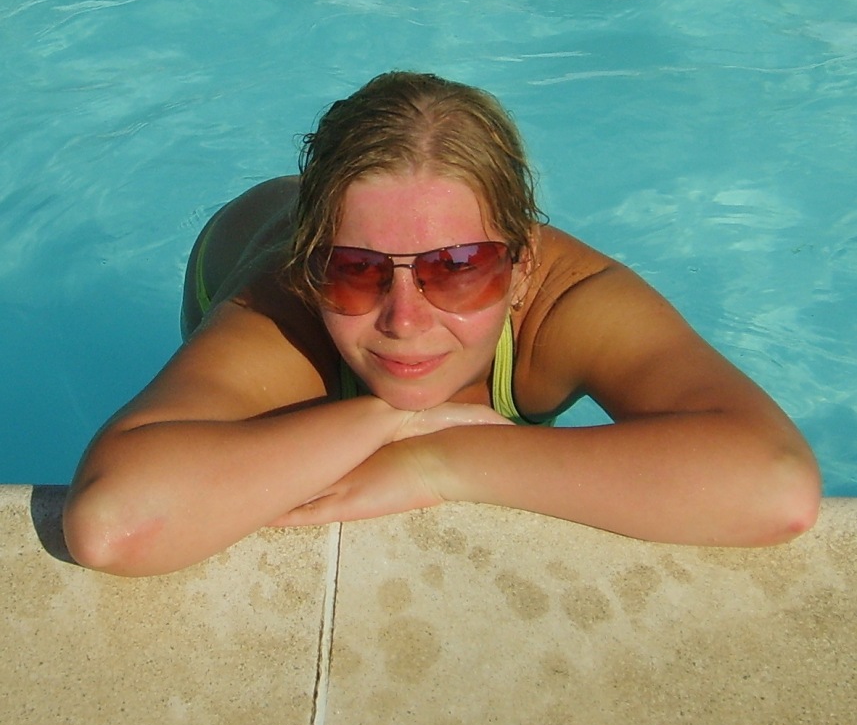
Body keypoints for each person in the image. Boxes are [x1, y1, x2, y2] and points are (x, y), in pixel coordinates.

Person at [63, 72, 821, 576]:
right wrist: (388, 417)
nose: (404, 318)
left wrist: (442, 462)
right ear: (310, 269)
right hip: (242, 237)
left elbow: (774, 487)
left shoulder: (571, 303)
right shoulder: (281, 310)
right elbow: (114, 525)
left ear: (520, 266)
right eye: (355, 269)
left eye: (458, 268)